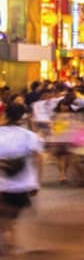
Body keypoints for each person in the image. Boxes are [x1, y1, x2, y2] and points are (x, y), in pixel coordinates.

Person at [0, 96, 44, 246]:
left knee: (6, 223)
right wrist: (37, 182)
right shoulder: (29, 136)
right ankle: (9, 253)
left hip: (2, 184)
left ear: (5, 114)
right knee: (10, 222)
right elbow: (39, 159)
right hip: (20, 187)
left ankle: (7, 252)